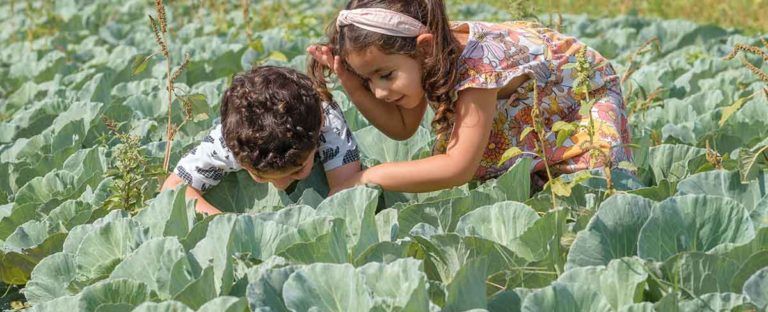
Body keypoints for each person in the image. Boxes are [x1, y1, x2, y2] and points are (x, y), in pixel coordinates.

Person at [308, 0, 632, 193]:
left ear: (424, 48)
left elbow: (457, 168)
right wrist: (351, 84)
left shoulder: (478, 69)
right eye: (368, 80)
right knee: (520, 180)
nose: (378, 91)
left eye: (385, 75)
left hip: (575, 96)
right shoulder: (425, 58)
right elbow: (403, 127)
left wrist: (367, 177)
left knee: (587, 187)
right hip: (520, 99)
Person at [161, 65, 361, 215]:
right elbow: (172, 190)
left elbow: (345, 191)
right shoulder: (229, 141)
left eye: (298, 169)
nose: (280, 184)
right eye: (262, 176)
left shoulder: (326, 120)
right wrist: (228, 224)